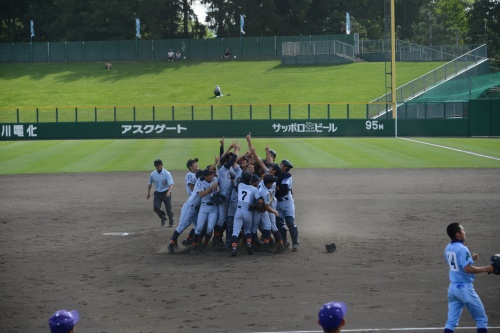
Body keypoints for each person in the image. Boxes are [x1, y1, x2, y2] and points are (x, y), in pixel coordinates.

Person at [443, 223, 494, 333]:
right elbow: (468, 269)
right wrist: (487, 268)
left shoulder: (448, 248)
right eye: (463, 230)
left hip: (453, 289)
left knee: (451, 322)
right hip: (464, 288)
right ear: (458, 234)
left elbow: (457, 264)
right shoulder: (462, 249)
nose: (464, 232)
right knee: (481, 319)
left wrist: (471, 259)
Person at [147, 159, 175, 227]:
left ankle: (171, 221)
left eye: (158, 165)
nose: (157, 167)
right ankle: (163, 217)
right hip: (157, 193)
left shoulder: (167, 173)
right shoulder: (153, 174)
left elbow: (170, 184)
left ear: (161, 165)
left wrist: (169, 192)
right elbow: (150, 183)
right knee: (156, 207)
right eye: (156, 166)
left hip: (166, 193)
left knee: (169, 209)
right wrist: (148, 193)